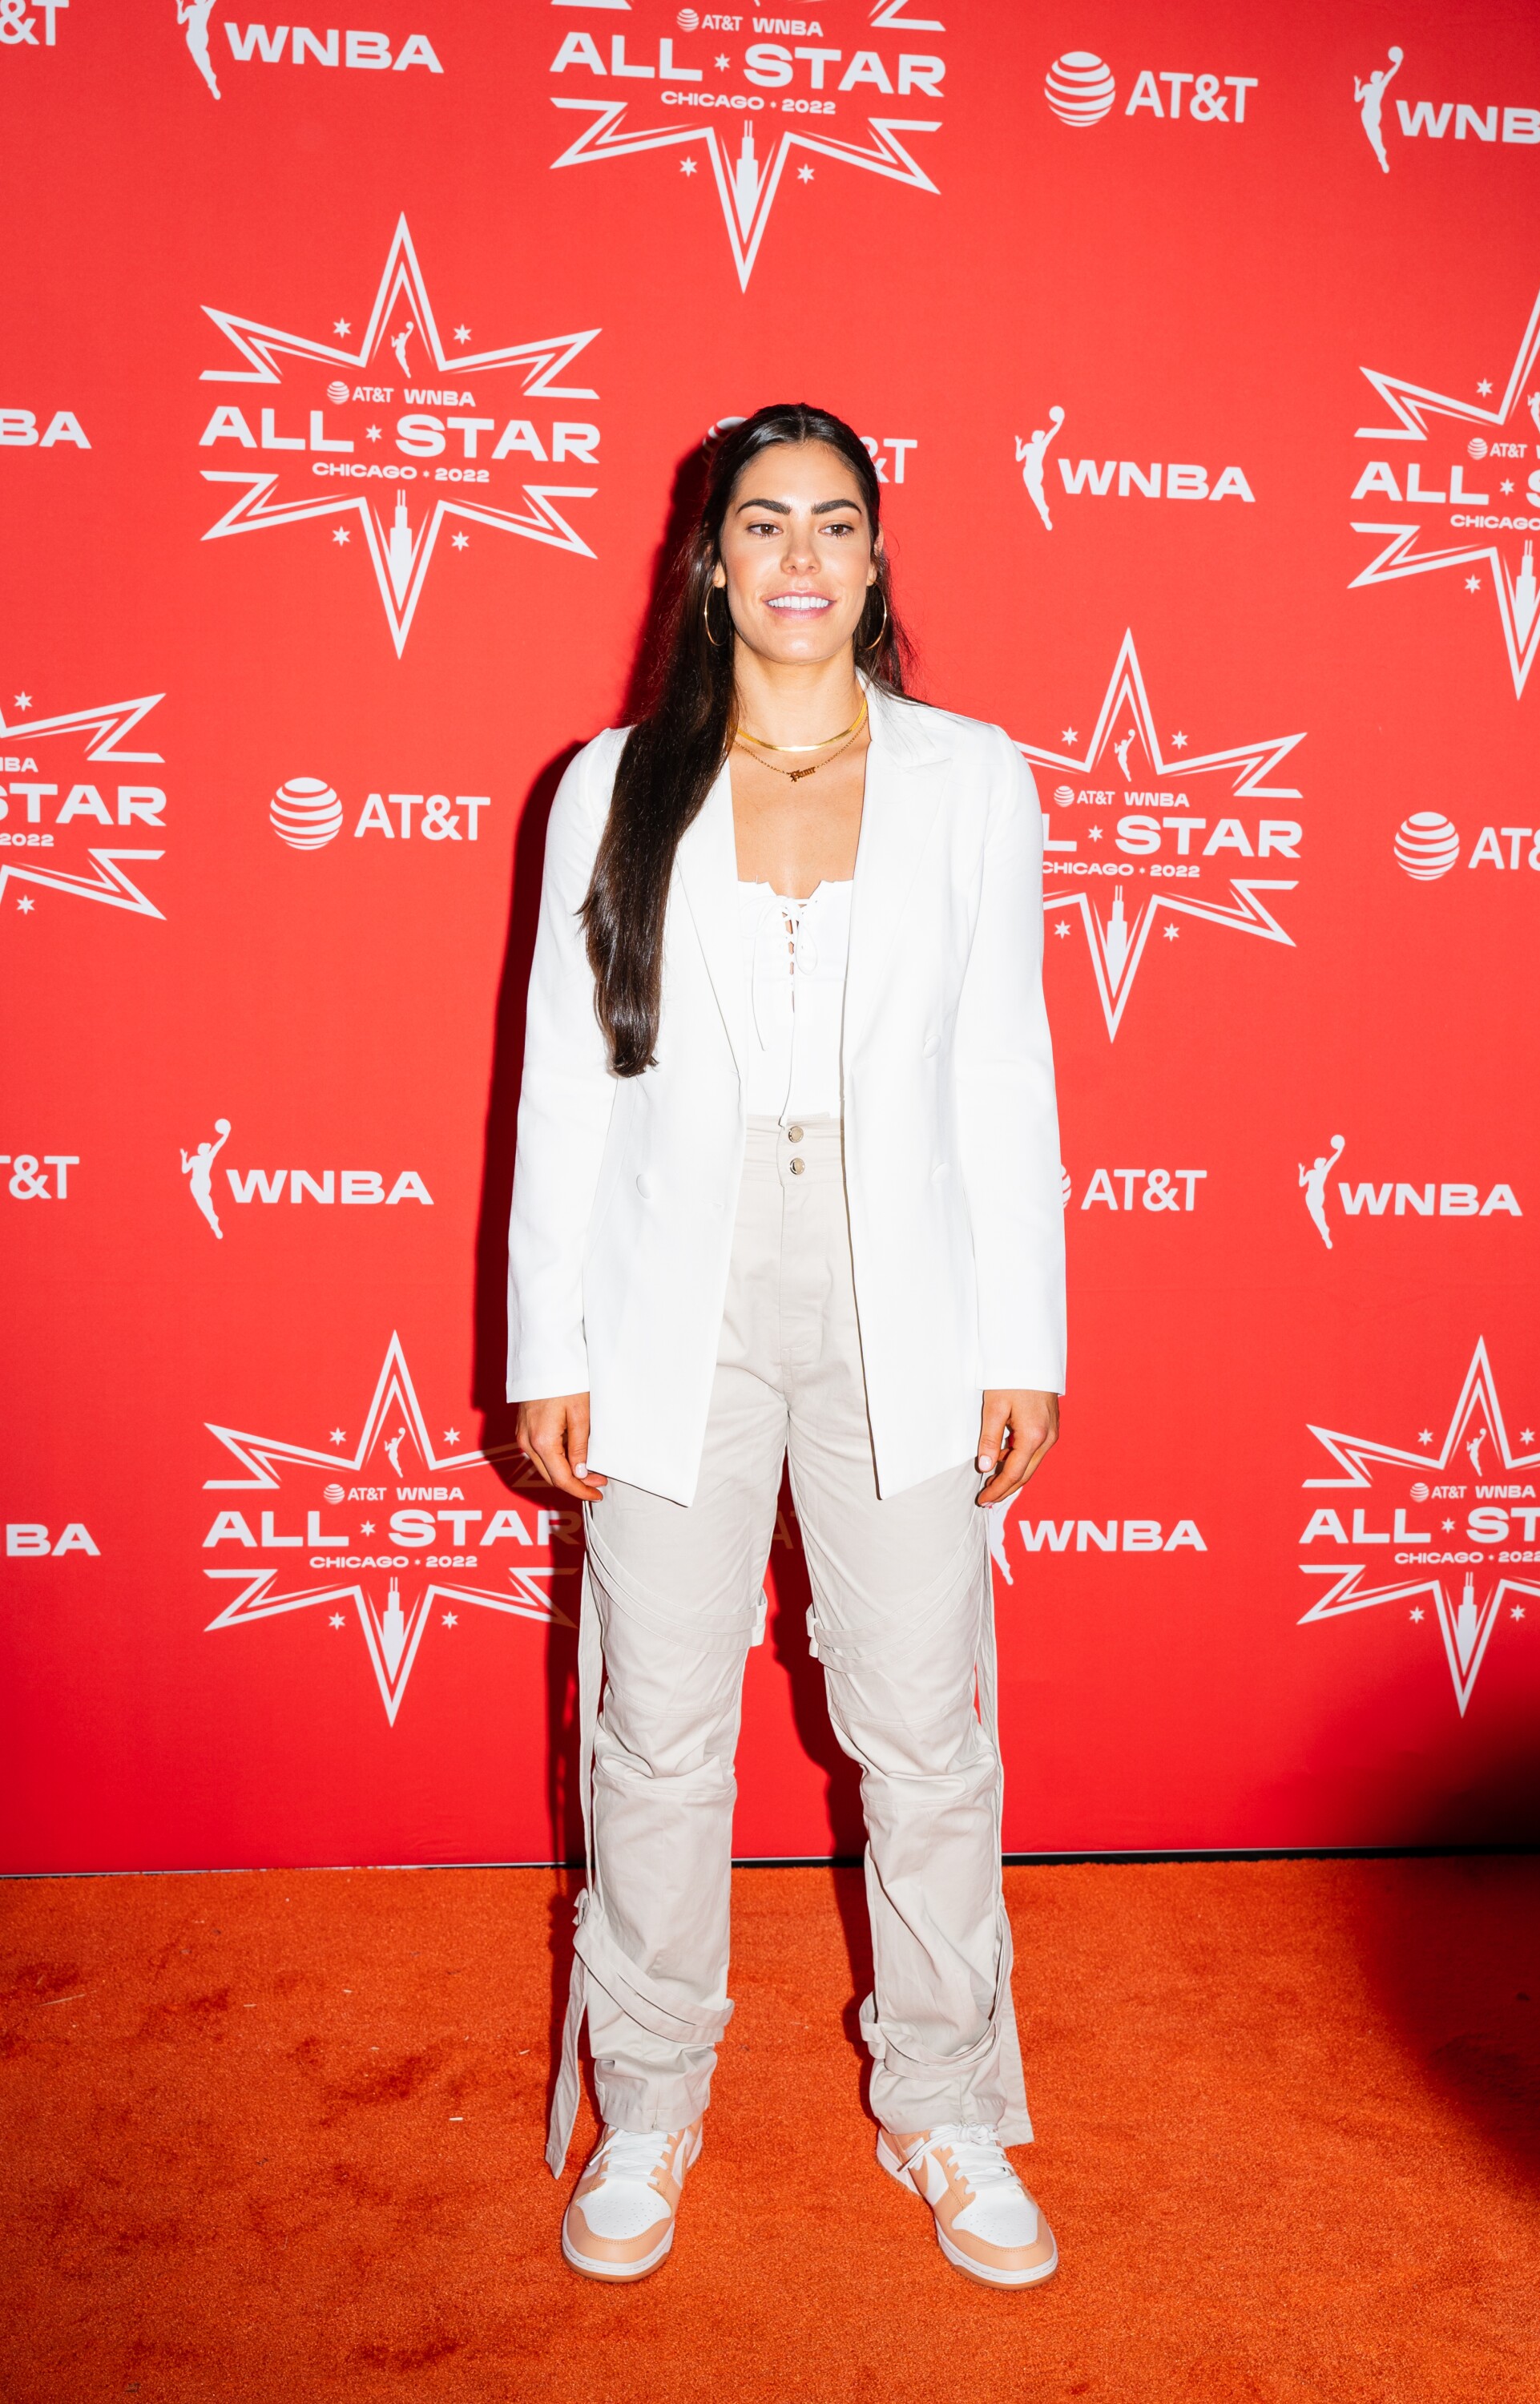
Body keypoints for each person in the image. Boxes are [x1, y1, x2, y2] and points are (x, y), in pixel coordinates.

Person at [507, 404, 1066, 2288]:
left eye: (838, 523)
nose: (804, 559)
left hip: (899, 1289)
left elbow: (1003, 1071)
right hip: (678, 1291)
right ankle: (648, 2100)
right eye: (767, 525)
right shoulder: (613, 784)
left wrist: (1022, 1332)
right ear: (712, 561)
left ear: (876, 558)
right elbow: (566, 1089)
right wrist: (547, 1341)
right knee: (653, 1733)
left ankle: (950, 2107)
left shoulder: (976, 780)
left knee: (925, 1736)